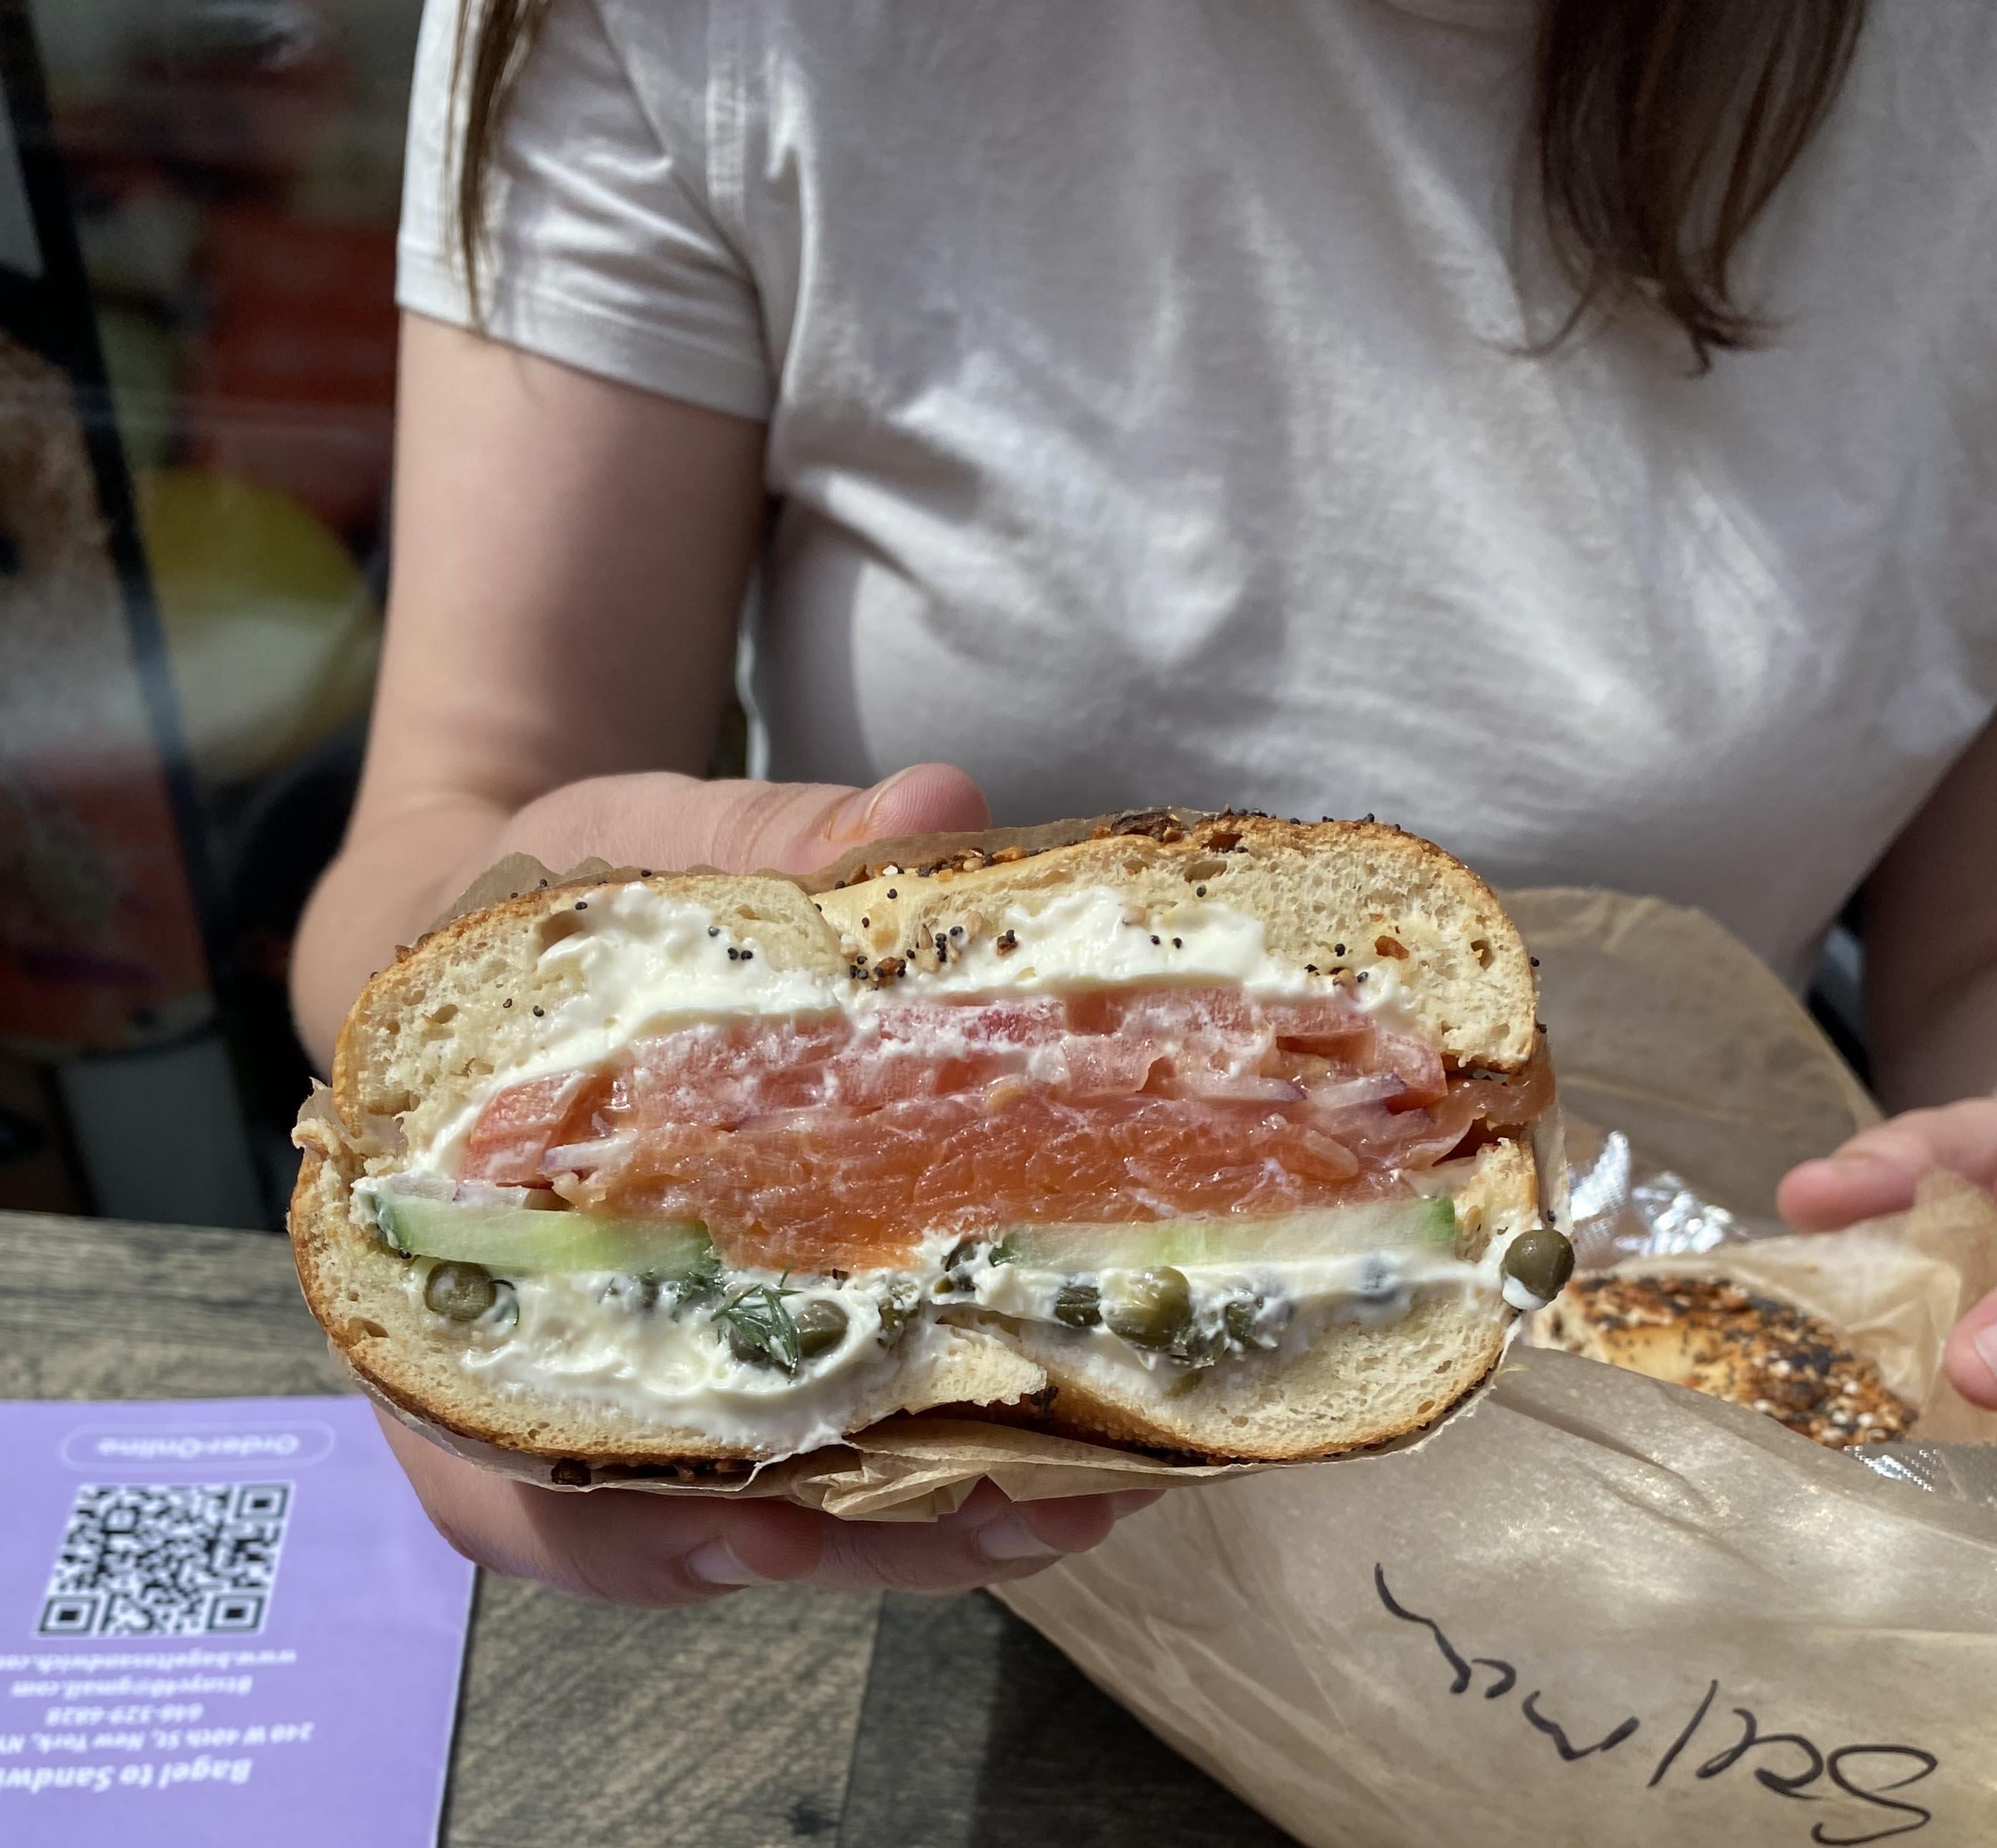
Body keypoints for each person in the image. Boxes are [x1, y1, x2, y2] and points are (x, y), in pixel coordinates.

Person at [294, 0, 1997, 1606]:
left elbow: (1962, 972)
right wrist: (529, 948)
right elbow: (453, 818)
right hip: (909, 1600)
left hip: (1694, 1486)